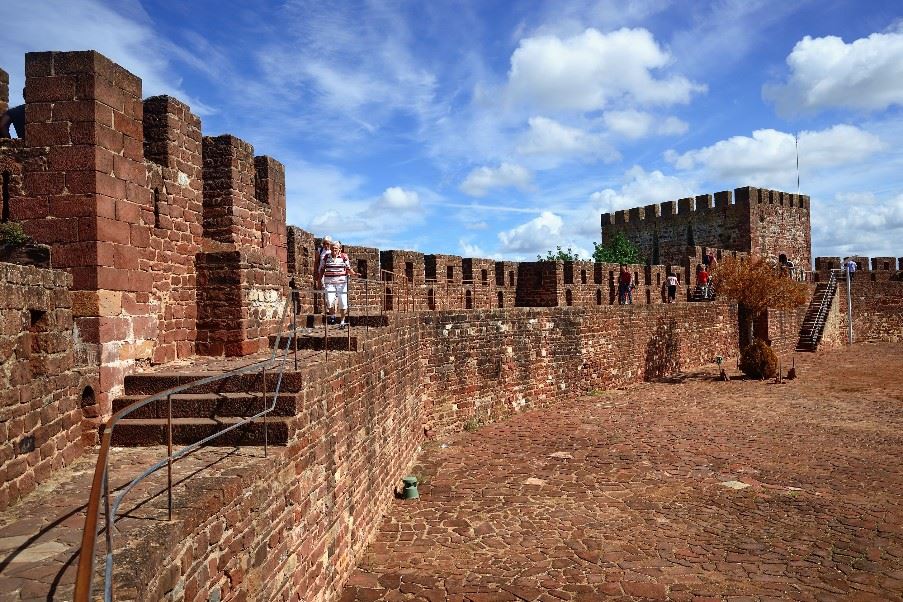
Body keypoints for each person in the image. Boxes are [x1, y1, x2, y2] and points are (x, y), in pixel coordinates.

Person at [317, 240, 356, 327]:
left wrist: (354, 274)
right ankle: (333, 316)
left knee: (343, 303)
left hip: (342, 283)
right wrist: (319, 281)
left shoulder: (344, 257)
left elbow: (348, 268)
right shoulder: (326, 257)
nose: (333, 251)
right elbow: (322, 269)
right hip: (329, 283)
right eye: (332, 249)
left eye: (335, 249)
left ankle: (342, 321)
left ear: (339, 249)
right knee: (329, 301)